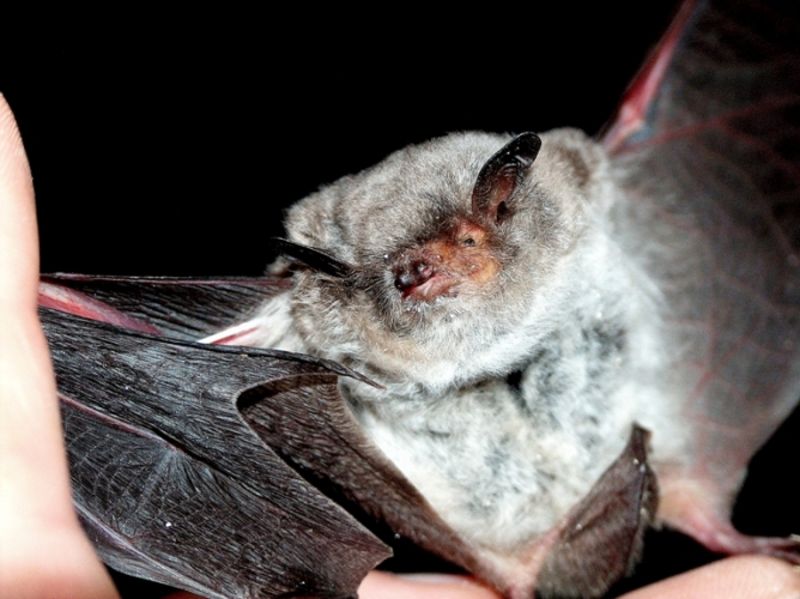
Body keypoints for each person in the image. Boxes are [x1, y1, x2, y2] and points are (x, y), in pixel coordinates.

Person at [0, 95, 797, 599]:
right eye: (403, 271)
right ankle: (515, 559)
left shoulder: (573, 200)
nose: (426, 275)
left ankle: (693, 498)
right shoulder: (319, 314)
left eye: (457, 244)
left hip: (619, 442)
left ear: (499, 201)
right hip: (510, 521)